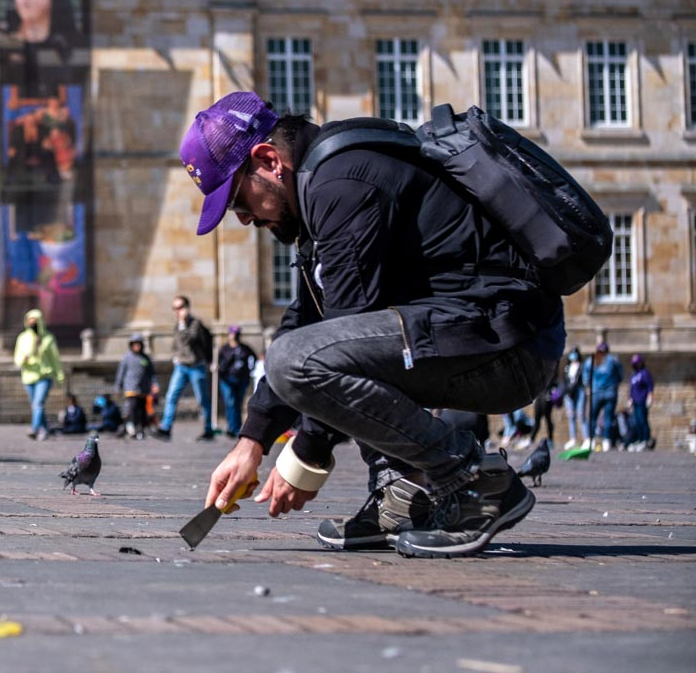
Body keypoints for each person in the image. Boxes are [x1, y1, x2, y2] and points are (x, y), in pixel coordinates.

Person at [187, 91, 564, 558]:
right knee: (300, 352)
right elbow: (311, 316)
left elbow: (340, 334)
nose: (244, 219)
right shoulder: (322, 180)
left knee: (295, 362)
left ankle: (472, 479)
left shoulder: (343, 182)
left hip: (509, 348)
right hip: (478, 335)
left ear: (268, 160)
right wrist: (252, 441)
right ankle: (402, 494)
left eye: (238, 200)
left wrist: (307, 453)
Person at [154, 296, 214, 442]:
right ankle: (166, 428)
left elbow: (189, 340)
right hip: (181, 367)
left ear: (187, 307)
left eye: (179, 307)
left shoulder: (195, 324)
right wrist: (175, 357)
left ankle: (208, 429)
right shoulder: (177, 326)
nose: (177, 311)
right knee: (171, 396)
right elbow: (176, 345)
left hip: (196, 366)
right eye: (175, 308)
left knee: (202, 400)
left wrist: (183, 324)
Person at [14, 308, 65, 441]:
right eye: (30, 321)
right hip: (28, 376)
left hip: (44, 376)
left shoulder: (48, 338)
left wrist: (59, 375)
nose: (32, 324)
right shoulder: (23, 338)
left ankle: (35, 428)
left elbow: (55, 358)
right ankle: (44, 429)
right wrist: (23, 360)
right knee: (36, 405)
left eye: (35, 321)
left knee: (38, 403)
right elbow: (17, 357)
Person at [216, 325, 258, 439]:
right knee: (230, 402)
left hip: (241, 379)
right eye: (233, 334)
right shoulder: (224, 349)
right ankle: (231, 427)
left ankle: (237, 428)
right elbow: (217, 362)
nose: (234, 336)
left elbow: (254, 357)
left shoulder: (245, 348)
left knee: (238, 403)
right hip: (227, 379)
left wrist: (251, 369)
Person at [114, 333, 156, 439]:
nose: (137, 347)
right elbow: (121, 372)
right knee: (132, 408)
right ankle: (130, 427)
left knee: (142, 410)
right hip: (131, 387)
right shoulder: (127, 358)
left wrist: (155, 384)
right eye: (135, 344)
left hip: (143, 389)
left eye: (139, 344)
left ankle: (140, 428)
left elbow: (151, 373)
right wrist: (117, 386)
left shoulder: (145, 358)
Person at [586, 342, 623, 451]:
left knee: (592, 417)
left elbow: (586, 376)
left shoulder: (592, 360)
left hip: (596, 392)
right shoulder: (613, 360)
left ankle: (590, 440)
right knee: (608, 418)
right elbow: (620, 375)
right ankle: (606, 440)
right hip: (610, 393)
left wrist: (588, 386)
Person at [562, 347, 588, 450]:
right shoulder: (567, 367)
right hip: (569, 393)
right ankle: (573, 438)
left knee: (581, 414)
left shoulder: (582, 366)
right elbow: (564, 379)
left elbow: (583, 380)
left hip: (579, 391)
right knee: (571, 415)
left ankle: (586, 438)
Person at [627, 354, 654, 451]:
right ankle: (640, 439)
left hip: (642, 400)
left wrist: (650, 397)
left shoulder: (645, 373)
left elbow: (649, 386)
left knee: (643, 420)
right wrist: (630, 399)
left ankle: (646, 440)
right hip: (635, 401)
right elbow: (631, 388)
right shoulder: (634, 375)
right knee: (637, 421)